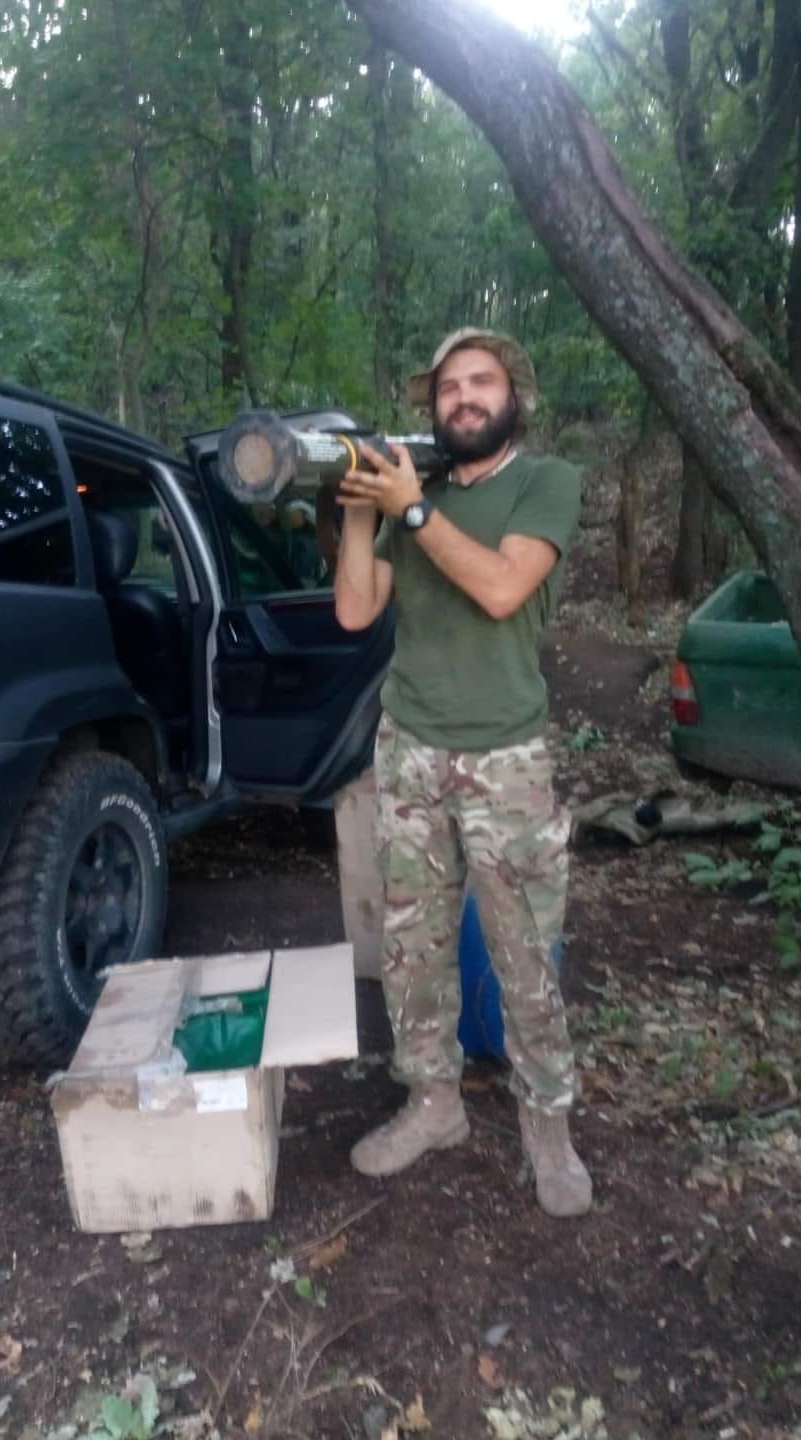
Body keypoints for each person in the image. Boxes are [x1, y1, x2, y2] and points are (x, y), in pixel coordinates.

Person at [333, 328, 591, 1218]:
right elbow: (355, 610)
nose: (464, 399)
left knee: (523, 949)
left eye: (482, 383)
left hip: (506, 755)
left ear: (513, 395)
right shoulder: (421, 490)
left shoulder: (543, 483)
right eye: (448, 388)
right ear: (431, 406)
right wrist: (364, 505)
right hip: (408, 747)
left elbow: (499, 588)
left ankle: (547, 1128)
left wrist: (409, 509)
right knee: (412, 945)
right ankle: (432, 1102)